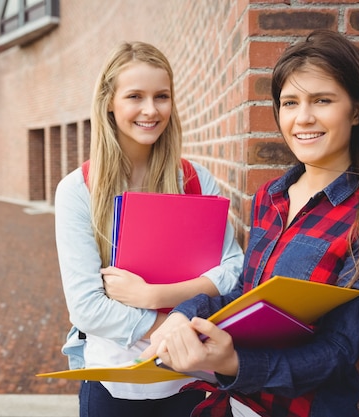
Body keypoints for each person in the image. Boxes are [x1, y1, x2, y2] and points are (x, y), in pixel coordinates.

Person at [143, 30, 359, 417]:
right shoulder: (269, 198)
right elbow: (245, 294)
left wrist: (236, 365)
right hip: (238, 406)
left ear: (356, 110)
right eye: (290, 102)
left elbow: (338, 352)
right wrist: (184, 313)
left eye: (322, 100)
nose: (303, 117)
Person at [54, 41, 244, 417]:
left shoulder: (196, 180)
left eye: (161, 96)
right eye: (134, 96)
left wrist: (153, 295)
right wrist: (175, 330)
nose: (150, 110)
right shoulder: (78, 191)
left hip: (190, 383)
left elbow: (234, 271)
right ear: (110, 102)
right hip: (114, 386)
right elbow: (87, 308)